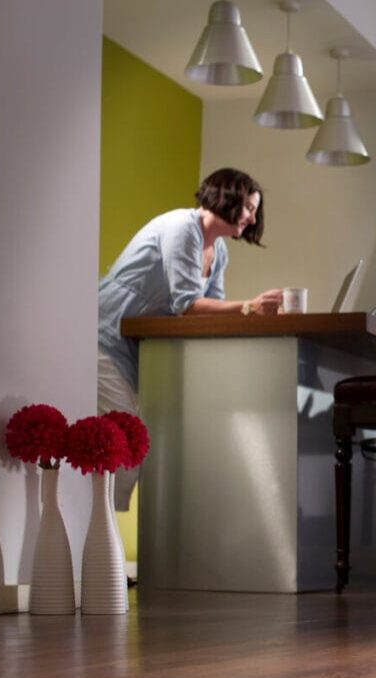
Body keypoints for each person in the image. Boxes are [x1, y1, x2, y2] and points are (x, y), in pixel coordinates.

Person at [98, 168, 283, 511]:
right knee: (122, 443)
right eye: (249, 207)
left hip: (135, 348)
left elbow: (207, 313)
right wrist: (251, 307)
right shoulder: (183, 228)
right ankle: (100, 550)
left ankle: (101, 549)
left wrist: (250, 312)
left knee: (129, 445)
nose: (253, 217)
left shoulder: (219, 250)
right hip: (106, 337)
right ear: (226, 198)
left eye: (255, 210)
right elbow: (188, 305)